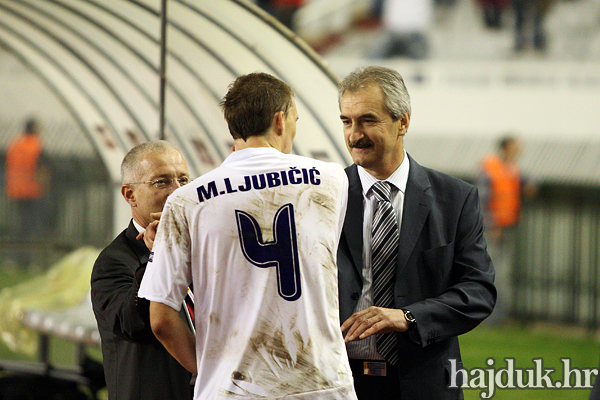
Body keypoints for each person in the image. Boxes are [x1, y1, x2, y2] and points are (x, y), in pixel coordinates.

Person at [138, 72, 357, 400]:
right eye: (295, 119)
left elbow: (161, 319)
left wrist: (211, 370)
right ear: (280, 120)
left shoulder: (186, 200)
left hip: (232, 390)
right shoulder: (331, 178)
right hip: (323, 386)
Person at [336, 66, 496, 399]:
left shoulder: (455, 198)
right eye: (346, 121)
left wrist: (408, 316)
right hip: (340, 383)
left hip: (425, 383)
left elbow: (478, 291)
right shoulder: (324, 196)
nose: (354, 135)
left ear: (403, 121)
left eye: (368, 120)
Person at [90, 140, 193, 400]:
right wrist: (158, 257)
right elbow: (134, 323)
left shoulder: (201, 250)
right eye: (162, 181)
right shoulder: (113, 261)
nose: (178, 191)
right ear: (129, 194)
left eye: (183, 179)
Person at [478, 135, 535, 325]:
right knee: (494, 272)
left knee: (504, 273)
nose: (518, 151)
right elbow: (483, 199)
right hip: (494, 229)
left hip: (508, 226)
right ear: (504, 148)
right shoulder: (491, 168)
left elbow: (528, 182)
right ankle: (491, 317)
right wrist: (492, 225)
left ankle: (499, 316)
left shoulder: (512, 169)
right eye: (515, 147)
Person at [5, 118, 51, 265]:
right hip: (32, 191)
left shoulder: (15, 144)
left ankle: (15, 258)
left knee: (20, 226)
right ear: (34, 128)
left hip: (15, 190)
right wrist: (45, 188)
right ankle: (26, 260)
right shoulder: (35, 145)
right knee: (31, 228)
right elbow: (42, 168)